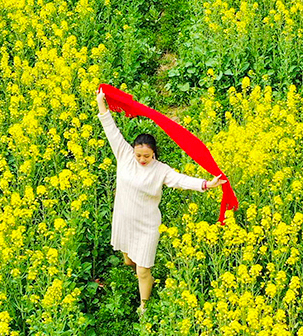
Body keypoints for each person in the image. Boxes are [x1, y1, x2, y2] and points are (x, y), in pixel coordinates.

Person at [96, 87, 224, 314]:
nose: (142, 159)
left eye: (147, 156)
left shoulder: (161, 170)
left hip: (147, 226)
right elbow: (110, 128)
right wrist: (101, 103)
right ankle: (142, 275)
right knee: (128, 262)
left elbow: (181, 180)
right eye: (139, 155)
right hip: (125, 220)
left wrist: (206, 184)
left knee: (142, 270)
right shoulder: (124, 156)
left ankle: (144, 305)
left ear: (154, 153)